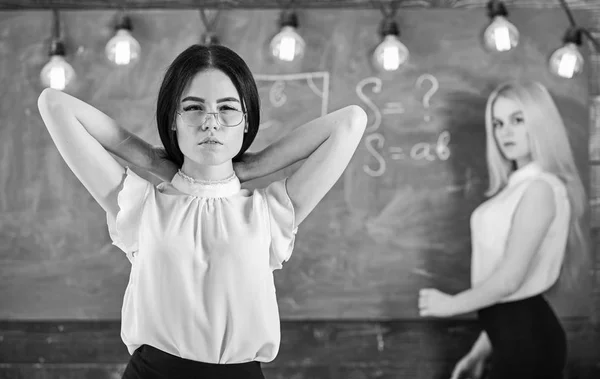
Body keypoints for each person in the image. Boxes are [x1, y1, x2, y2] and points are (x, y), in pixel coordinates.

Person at [38, 44, 367, 379]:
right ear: (173, 122)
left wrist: (253, 167)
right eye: (194, 108)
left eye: (227, 109)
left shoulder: (270, 212)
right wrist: (151, 160)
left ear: (246, 121)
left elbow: (351, 122)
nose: (211, 123)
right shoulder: (140, 203)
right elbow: (54, 104)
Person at [417, 81, 588, 379]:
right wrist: (482, 350)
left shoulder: (540, 188)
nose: (505, 131)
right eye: (498, 123)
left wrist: (450, 305)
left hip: (528, 341)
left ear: (539, 122)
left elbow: (510, 281)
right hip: (511, 336)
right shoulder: (520, 186)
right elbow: (508, 295)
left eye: (517, 120)